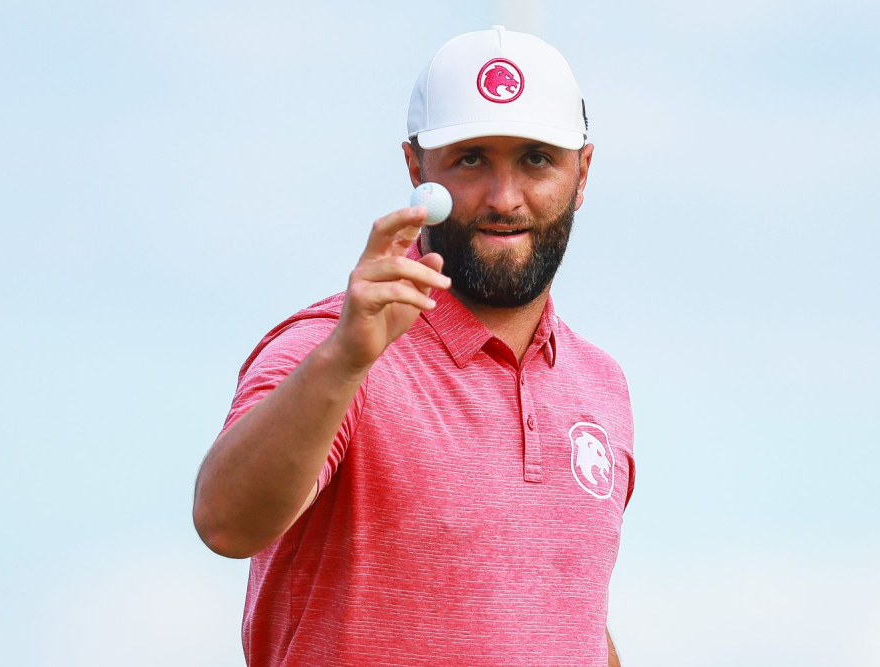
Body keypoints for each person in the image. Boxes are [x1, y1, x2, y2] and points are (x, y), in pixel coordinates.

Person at [194, 25, 635, 667]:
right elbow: (226, 523)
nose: (504, 197)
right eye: (471, 158)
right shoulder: (332, 347)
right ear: (415, 167)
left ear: (582, 172)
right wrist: (345, 359)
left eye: (537, 158)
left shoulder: (601, 384)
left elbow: (570, 620)